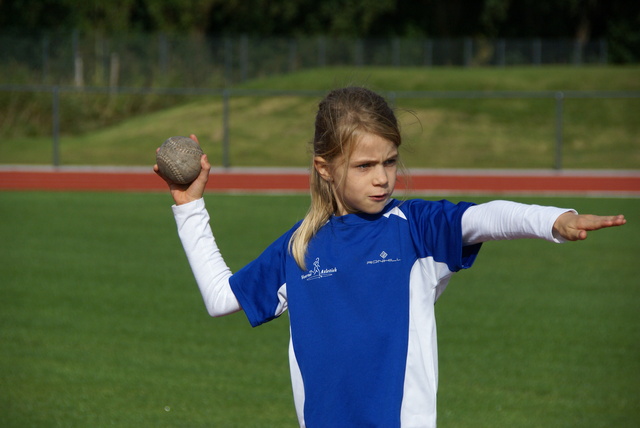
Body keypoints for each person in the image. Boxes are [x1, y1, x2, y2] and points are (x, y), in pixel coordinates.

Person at [154, 87, 625, 428]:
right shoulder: (299, 247)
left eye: (390, 161)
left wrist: (553, 220)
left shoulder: (415, 229)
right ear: (325, 167)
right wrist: (189, 205)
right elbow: (222, 297)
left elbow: (484, 217)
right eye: (364, 166)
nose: (382, 178)